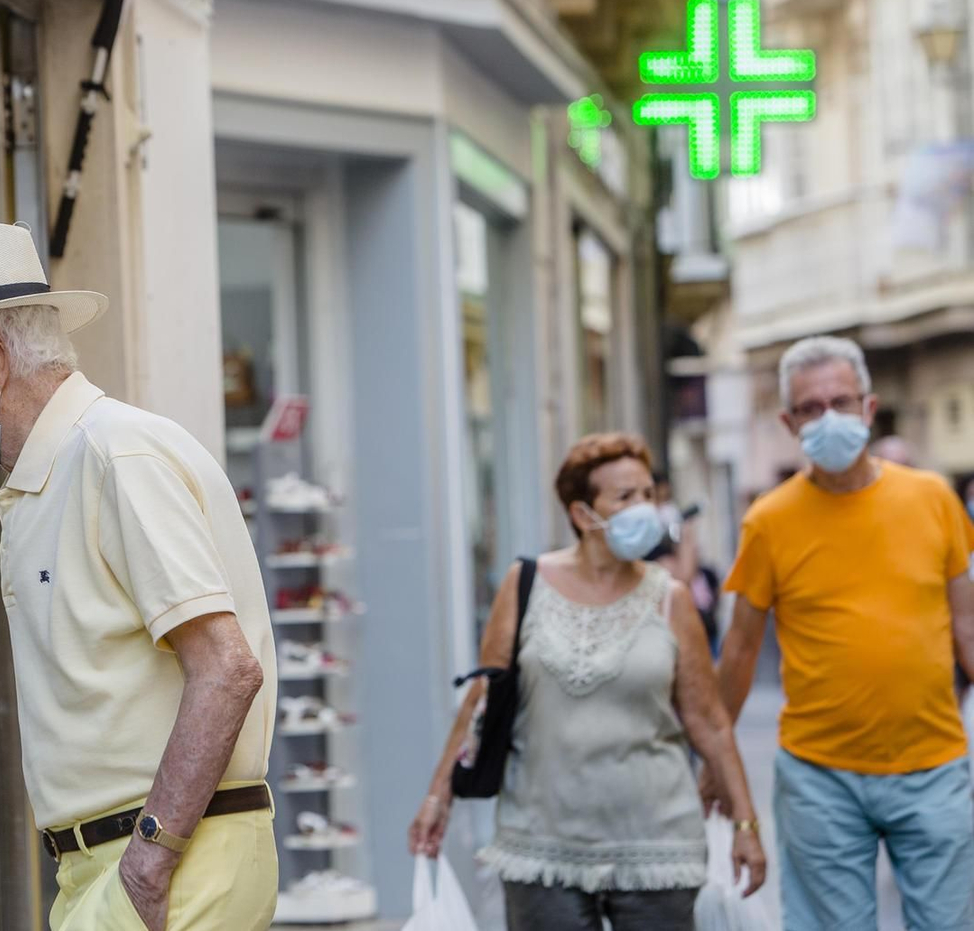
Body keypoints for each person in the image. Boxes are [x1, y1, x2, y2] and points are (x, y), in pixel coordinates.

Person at [0, 223, 277, 931]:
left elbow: (228, 669)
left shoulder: (115, 454)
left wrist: (148, 860)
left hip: (166, 862)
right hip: (126, 865)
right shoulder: (57, 475)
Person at [409, 433, 766, 931]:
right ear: (582, 515)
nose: (645, 507)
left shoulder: (672, 598)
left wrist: (746, 824)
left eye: (648, 494)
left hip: (656, 845)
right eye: (626, 497)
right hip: (542, 842)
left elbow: (710, 723)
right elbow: (481, 702)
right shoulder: (525, 583)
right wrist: (437, 797)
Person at [703, 335, 974, 931]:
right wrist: (716, 768)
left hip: (932, 767)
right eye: (809, 408)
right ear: (787, 422)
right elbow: (741, 654)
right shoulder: (769, 521)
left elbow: (968, 628)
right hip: (819, 777)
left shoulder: (932, 499)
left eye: (841, 402)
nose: (828, 418)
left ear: (869, 409)